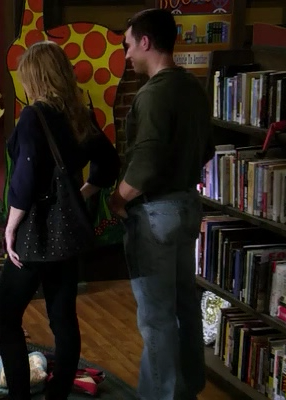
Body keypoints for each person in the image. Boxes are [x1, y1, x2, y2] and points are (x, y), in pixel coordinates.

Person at [0, 41, 121, 400]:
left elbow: (25, 179)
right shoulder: (80, 114)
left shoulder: (33, 116)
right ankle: (58, 395)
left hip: (34, 235)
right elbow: (109, 163)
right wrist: (82, 194)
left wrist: (10, 226)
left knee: (5, 317)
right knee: (63, 317)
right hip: (68, 236)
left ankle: (19, 397)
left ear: (34, 78)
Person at [107, 9, 215, 400]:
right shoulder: (193, 87)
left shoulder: (152, 94)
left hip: (156, 215)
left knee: (156, 320)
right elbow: (207, 149)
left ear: (146, 42)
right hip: (188, 207)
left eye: (128, 45)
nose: (127, 55)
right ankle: (188, 389)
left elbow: (146, 163)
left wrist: (117, 200)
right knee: (185, 306)